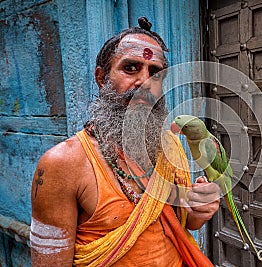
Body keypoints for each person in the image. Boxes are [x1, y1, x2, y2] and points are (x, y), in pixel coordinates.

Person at [30, 17, 220, 267]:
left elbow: (183, 223)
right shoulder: (62, 164)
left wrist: (198, 211)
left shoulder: (168, 146)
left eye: (155, 73)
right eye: (131, 68)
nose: (144, 82)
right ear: (102, 78)